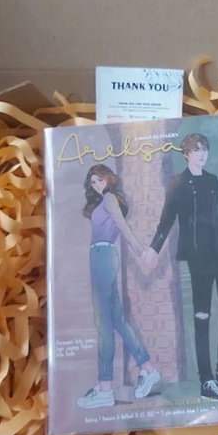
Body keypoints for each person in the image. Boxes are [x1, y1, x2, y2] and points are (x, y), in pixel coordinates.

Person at [143, 133, 218, 401]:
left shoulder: (213, 180)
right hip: (198, 255)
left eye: (205, 149)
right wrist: (154, 249)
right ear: (186, 153)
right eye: (196, 149)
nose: (202, 154)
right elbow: (166, 220)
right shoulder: (177, 183)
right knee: (202, 314)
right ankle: (206, 380)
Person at [76, 164, 161, 409]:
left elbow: (122, 226)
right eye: (92, 182)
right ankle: (148, 368)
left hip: (102, 256)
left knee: (103, 323)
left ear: (109, 178)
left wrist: (141, 251)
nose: (96, 185)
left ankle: (105, 388)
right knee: (117, 320)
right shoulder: (103, 200)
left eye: (99, 179)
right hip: (100, 256)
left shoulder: (110, 198)